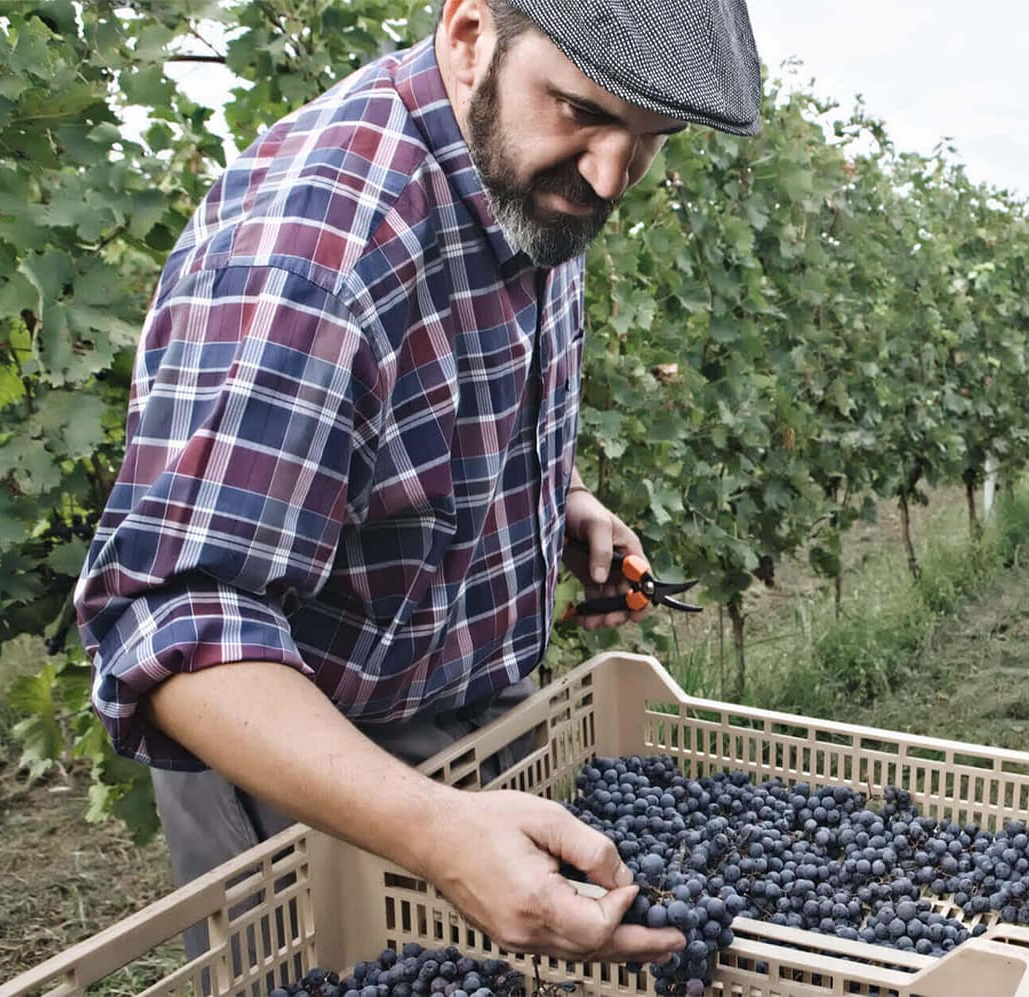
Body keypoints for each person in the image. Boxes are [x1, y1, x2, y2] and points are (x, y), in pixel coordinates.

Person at [74, 0, 760, 965]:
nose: (610, 175)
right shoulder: (315, 247)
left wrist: (551, 503)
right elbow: (177, 625)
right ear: (470, 33)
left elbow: (403, 419)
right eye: (579, 112)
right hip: (313, 778)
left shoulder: (522, 176)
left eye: (648, 138)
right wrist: (436, 830)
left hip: (469, 736)